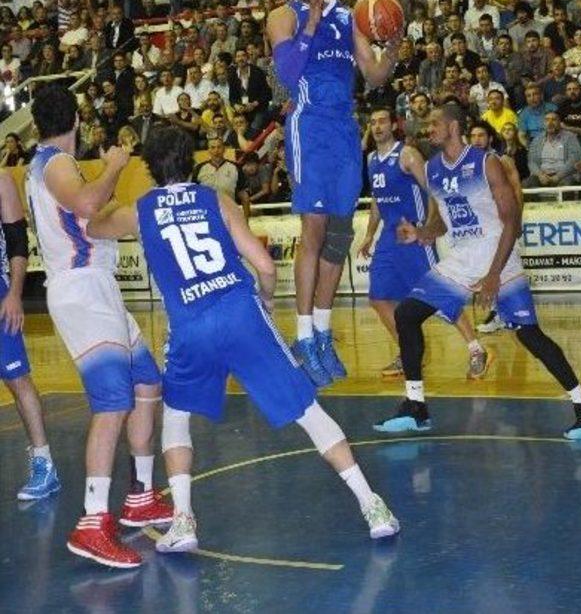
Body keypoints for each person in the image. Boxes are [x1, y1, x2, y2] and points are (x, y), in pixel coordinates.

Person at [86, 126, 400, 551]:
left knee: (176, 419)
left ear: (150, 167)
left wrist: (110, 173)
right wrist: (267, 300)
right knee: (306, 408)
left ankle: (184, 521)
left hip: (189, 326)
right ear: (189, 161)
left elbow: (94, 226)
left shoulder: (139, 210)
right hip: (239, 312)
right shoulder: (217, 200)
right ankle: (372, 505)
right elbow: (265, 268)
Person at [374, 102, 581, 442]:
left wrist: (495, 274)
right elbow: (442, 221)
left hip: (499, 251)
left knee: (529, 335)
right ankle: (416, 406)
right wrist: (421, 233)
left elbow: (511, 219)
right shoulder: (435, 168)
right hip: (464, 256)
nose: (429, 129)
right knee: (407, 315)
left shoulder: (486, 162)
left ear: (453, 126)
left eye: (435, 122)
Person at [26, 83, 172, 570]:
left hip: (96, 285)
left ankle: (140, 496)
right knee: (114, 402)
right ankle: (92, 522)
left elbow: (87, 218)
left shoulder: (46, 166)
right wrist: (114, 165)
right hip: (81, 289)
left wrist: (116, 209)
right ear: (77, 121)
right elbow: (88, 207)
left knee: (148, 381)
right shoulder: (55, 161)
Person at [266, 0, 400, 387]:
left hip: (344, 130)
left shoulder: (349, 16)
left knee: (339, 240)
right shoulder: (283, 15)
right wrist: (311, 23)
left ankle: (323, 333)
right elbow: (286, 75)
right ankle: (303, 337)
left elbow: (375, 76)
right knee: (315, 232)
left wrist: (393, 44)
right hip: (310, 126)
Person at [359, 108, 492, 380]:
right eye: (372, 122)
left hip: (413, 236)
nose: (377, 126)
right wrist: (370, 234)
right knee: (378, 297)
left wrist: (427, 227)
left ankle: (477, 348)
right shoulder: (372, 159)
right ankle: (408, 351)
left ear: (394, 125)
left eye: (382, 121)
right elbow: (376, 200)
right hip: (389, 237)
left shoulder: (407, 155)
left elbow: (434, 191)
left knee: (437, 295)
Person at [0, 170, 61, 500]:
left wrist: (13, 293)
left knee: (17, 379)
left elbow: (18, 242)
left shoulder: (1, 181)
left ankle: (44, 462)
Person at [468, 120, 523, 336]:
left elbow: (517, 191)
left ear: (490, 139)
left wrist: (516, 222)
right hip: (483, 226)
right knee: (486, 271)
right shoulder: (469, 165)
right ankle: (500, 313)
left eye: (481, 136)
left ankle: (504, 315)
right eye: (473, 136)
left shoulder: (502, 160)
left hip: (503, 224)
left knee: (503, 269)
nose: (477, 140)